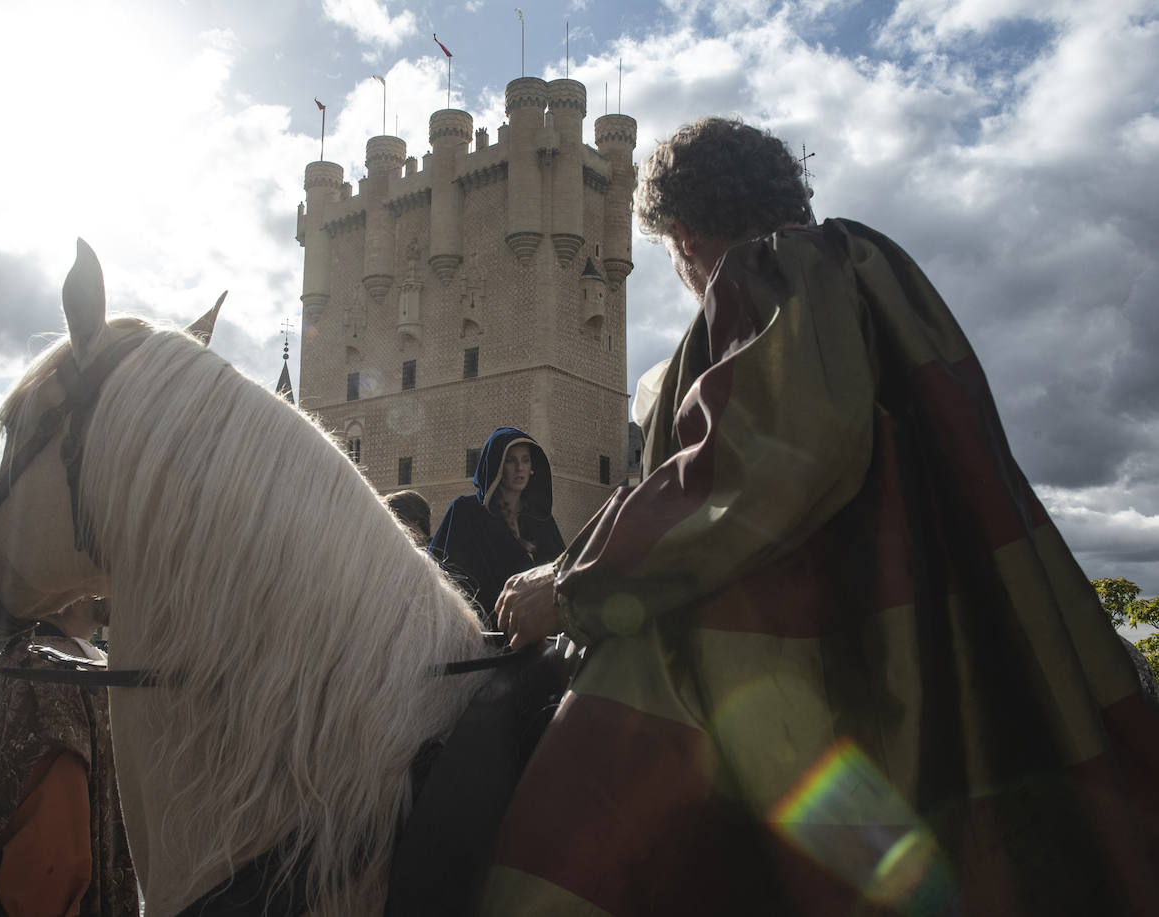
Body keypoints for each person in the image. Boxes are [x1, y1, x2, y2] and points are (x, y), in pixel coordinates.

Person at [483, 117, 1159, 915]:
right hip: (927, 654)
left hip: (834, 673)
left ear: (685, 235)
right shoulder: (867, 273)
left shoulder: (778, 276)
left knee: (576, 825)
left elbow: (746, 468)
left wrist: (570, 586)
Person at [0, 596, 137, 917]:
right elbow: (50, 858)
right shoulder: (56, 675)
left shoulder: (33, 662)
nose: (112, 584)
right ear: (64, 594)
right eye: (96, 571)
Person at [429, 427, 565, 631]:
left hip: (536, 637)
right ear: (497, 466)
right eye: (511, 460)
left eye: (525, 460)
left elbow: (560, 576)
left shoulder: (541, 520)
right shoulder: (465, 512)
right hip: (480, 636)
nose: (519, 468)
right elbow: (443, 576)